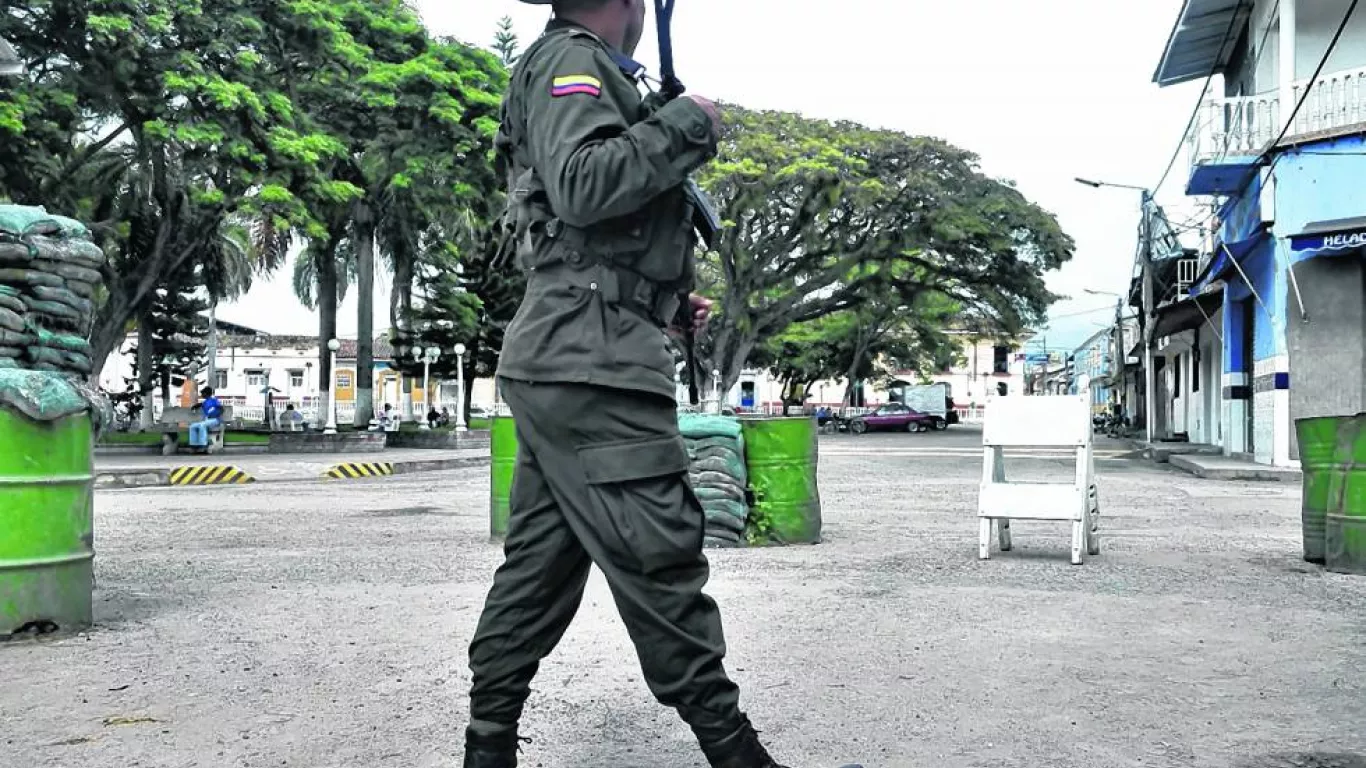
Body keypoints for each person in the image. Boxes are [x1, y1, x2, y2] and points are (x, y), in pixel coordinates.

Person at [463, 3, 860, 768]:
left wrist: (664, 300)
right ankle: (734, 750)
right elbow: (582, 185)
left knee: (541, 565)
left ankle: (488, 747)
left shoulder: (588, 67)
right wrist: (689, 121)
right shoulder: (571, 61)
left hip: (580, 354)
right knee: (659, 552)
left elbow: (590, 229)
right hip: (591, 364)